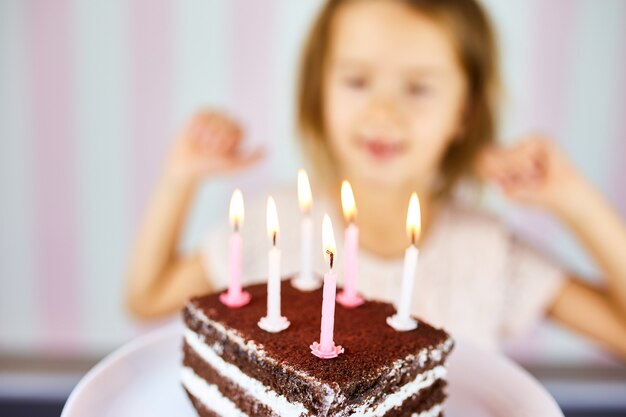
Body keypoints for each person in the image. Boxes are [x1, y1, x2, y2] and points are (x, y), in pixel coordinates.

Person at [126, 0, 626, 358]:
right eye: (357, 80)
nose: (383, 110)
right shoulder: (271, 229)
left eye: (418, 87)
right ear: (318, 92)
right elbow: (147, 298)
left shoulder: (487, 253)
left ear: (465, 112)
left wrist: (576, 201)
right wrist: (179, 177)